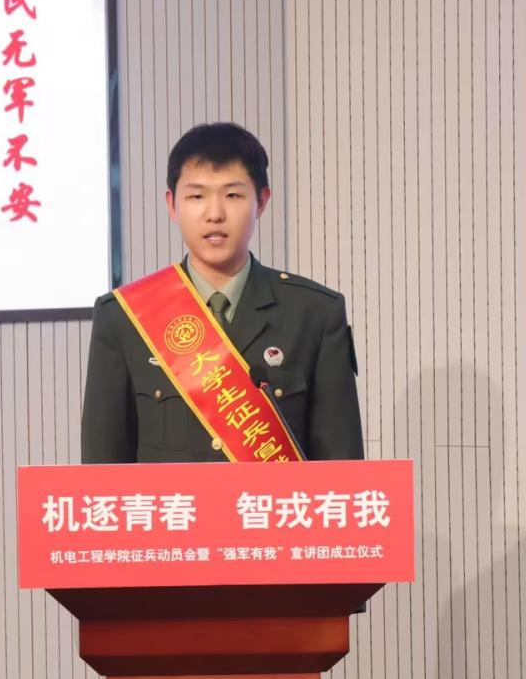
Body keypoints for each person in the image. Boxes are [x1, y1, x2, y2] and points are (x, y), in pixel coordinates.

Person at [81, 122, 363, 464]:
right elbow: (102, 472)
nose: (214, 214)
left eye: (232, 195)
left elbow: (342, 471)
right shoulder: (124, 318)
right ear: (172, 204)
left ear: (262, 201)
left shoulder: (314, 313)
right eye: (196, 196)